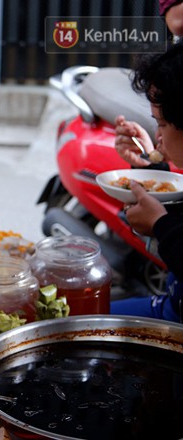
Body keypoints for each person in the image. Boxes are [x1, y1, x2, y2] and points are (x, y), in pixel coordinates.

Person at [112, 43, 183, 323]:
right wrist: (149, 163)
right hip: (171, 306)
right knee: (78, 313)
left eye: (162, 124)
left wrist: (159, 225)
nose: (158, 136)